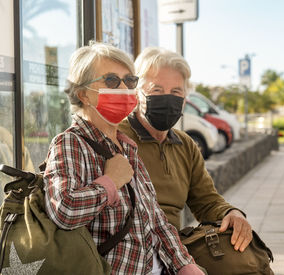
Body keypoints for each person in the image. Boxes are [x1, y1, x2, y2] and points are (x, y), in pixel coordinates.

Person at [43, 42, 204, 275]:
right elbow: (63, 210)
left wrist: (184, 264)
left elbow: (155, 219)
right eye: (111, 81)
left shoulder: (127, 146)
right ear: (83, 94)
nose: (123, 88)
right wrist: (110, 182)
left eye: (129, 81)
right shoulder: (70, 143)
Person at [118, 47, 253, 253]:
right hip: (129, 253)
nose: (167, 98)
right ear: (137, 91)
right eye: (156, 90)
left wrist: (232, 213)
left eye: (175, 92)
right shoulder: (117, 138)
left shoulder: (185, 145)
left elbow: (206, 201)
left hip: (173, 251)